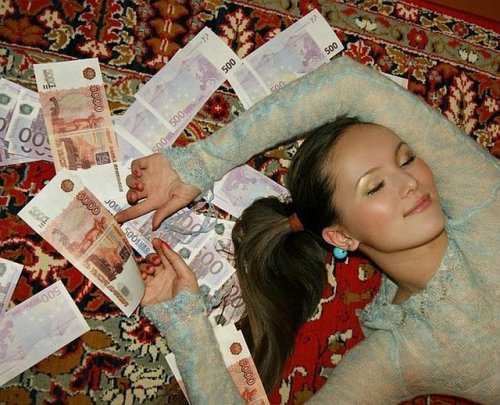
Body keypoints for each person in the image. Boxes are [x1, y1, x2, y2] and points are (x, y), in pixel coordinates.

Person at [115, 56, 499, 404]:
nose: (410, 182)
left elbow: (350, 84)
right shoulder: (402, 351)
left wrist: (201, 161)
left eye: (407, 158)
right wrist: (184, 323)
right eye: (374, 187)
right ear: (342, 237)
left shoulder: (480, 194)